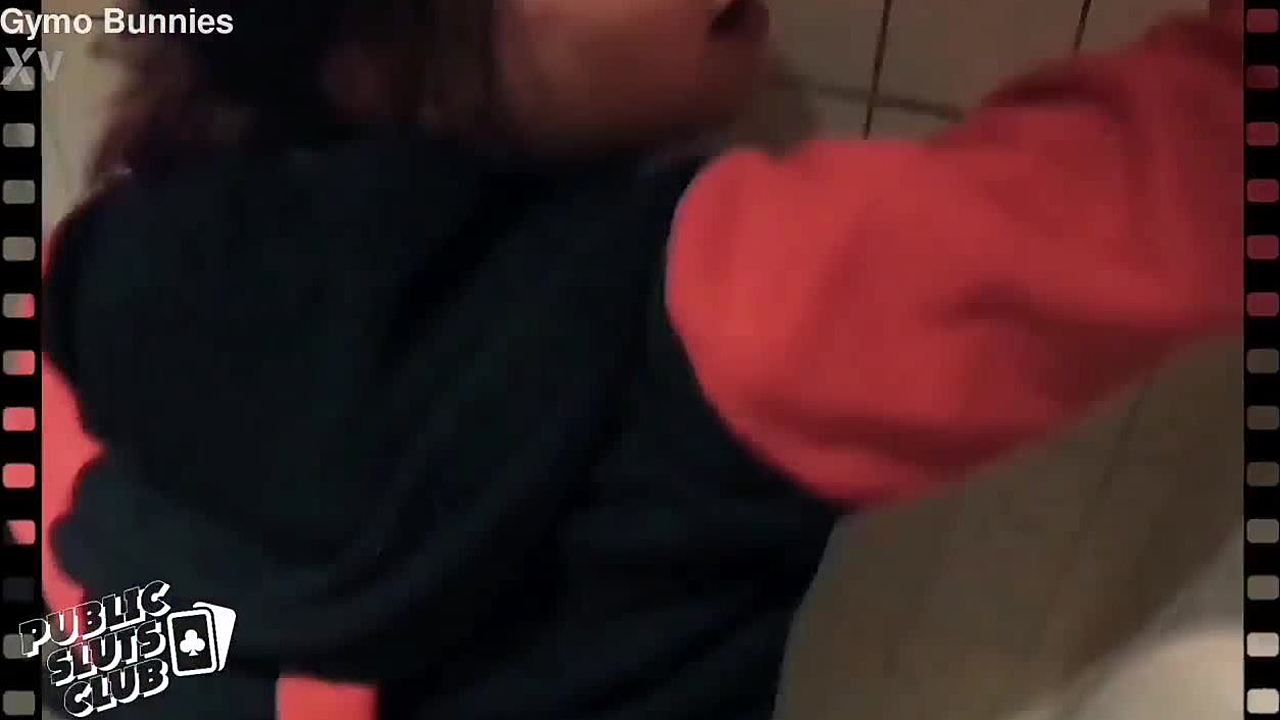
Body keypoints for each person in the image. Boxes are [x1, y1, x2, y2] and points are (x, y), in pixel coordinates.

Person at [36, 0, 1240, 718]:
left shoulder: (106, 266)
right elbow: (1204, 156)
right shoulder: (733, 309)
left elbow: (91, 623)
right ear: (379, 52)